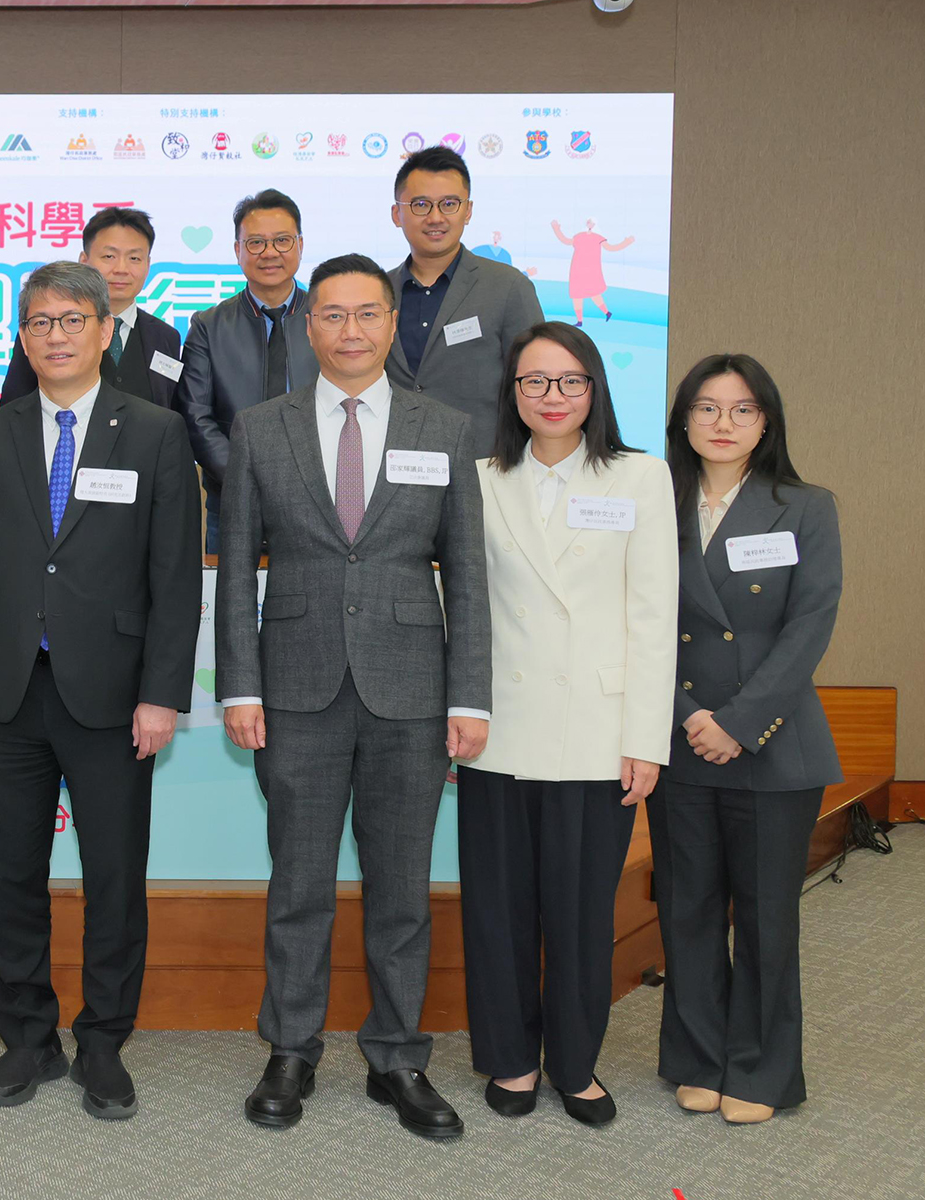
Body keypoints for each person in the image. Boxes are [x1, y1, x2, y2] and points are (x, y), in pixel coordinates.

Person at [216, 253, 489, 1140]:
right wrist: (239, 686)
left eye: (368, 313)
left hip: (412, 690)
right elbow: (236, 571)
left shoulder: (444, 429)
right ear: (309, 326)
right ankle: (290, 1049)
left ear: (390, 322)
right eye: (332, 315)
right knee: (298, 883)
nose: (351, 331)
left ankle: (398, 1056)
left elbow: (469, 574)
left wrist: (470, 697)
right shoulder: (262, 427)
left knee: (401, 887)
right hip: (294, 687)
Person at [0, 261, 201, 1121]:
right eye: (40, 322)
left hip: (114, 697)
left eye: (72, 320)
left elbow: (175, 579)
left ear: (103, 329)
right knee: (11, 875)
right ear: (22, 337)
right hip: (5, 693)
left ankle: (104, 1039)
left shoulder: (156, 433)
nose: (55, 335)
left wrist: (162, 694)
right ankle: (27, 1036)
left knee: (114, 877)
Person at [457, 322, 677, 1127]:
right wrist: (457, 711)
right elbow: (459, 606)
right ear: (512, 392)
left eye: (570, 381)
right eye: (535, 381)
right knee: (498, 909)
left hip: (598, 728)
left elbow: (653, 613)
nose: (553, 397)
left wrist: (645, 738)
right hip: (498, 727)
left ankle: (576, 1065)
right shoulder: (480, 479)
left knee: (582, 912)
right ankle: (512, 1059)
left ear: (594, 389)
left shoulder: (639, 477)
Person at [651, 353, 842, 1126]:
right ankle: (699, 1059)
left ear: (766, 423)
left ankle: (762, 1070)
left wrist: (736, 722)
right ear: (683, 421)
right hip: (678, 736)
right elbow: (630, 620)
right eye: (706, 407)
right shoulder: (652, 502)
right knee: (687, 909)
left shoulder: (805, 506)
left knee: (766, 916)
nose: (723, 423)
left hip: (773, 741)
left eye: (742, 409)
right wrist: (686, 714)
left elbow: (810, 625)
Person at [181, 190, 318, 549]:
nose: (269, 252)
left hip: (322, 506)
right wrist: (247, 482)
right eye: (255, 242)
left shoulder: (328, 319)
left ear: (300, 245)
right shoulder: (208, 326)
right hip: (233, 505)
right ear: (237, 250)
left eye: (282, 240)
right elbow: (196, 417)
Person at [384, 146, 544, 450]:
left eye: (449, 204)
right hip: (396, 464)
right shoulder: (378, 292)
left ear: (467, 211)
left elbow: (536, 383)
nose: (435, 218)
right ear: (396, 214)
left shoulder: (509, 287)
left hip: (483, 463)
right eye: (420, 204)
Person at [0, 208, 184, 417]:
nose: (121, 269)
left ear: (148, 264)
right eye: (109, 256)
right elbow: (13, 409)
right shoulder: (46, 330)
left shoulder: (165, 336)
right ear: (84, 260)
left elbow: (173, 410)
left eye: (134, 258)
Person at [551, 219, 636, 327]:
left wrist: (627, 242)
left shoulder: (598, 238)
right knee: (577, 295)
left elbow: (611, 248)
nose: (589, 224)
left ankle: (606, 312)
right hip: (577, 269)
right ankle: (580, 320)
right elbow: (566, 240)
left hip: (590, 269)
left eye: (592, 222)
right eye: (588, 221)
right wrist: (556, 229)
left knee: (594, 293)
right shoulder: (579, 236)